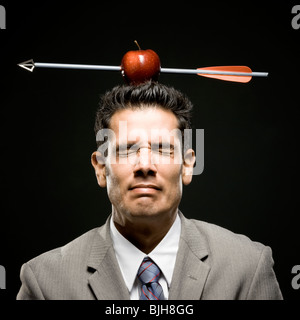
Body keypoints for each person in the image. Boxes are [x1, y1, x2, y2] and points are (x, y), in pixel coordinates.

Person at [17, 81, 283, 300]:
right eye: (126, 150)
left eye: (163, 149)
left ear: (188, 165)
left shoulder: (247, 267)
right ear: (100, 168)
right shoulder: (45, 282)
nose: (145, 165)